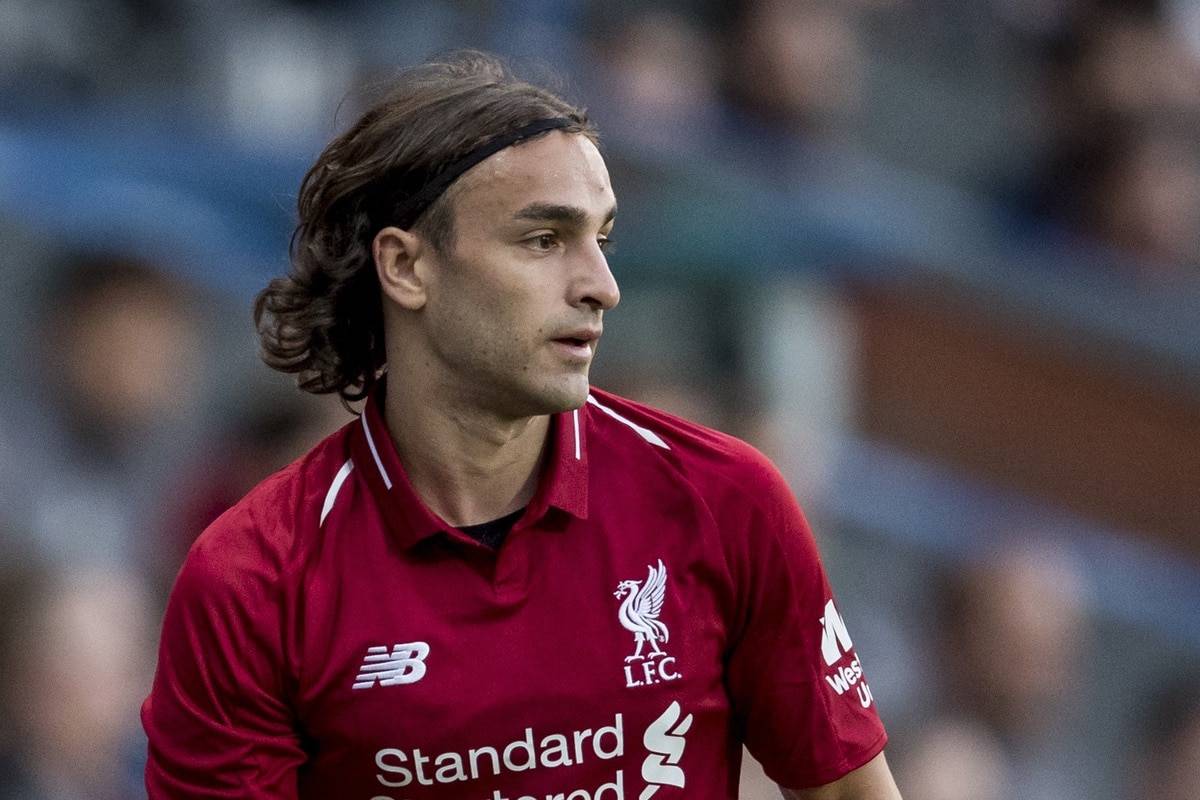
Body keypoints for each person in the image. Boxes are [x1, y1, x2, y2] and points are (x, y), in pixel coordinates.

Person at [142, 51, 901, 800]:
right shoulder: (249, 582)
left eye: (600, 240)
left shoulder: (728, 501)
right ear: (406, 267)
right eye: (544, 240)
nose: (601, 287)